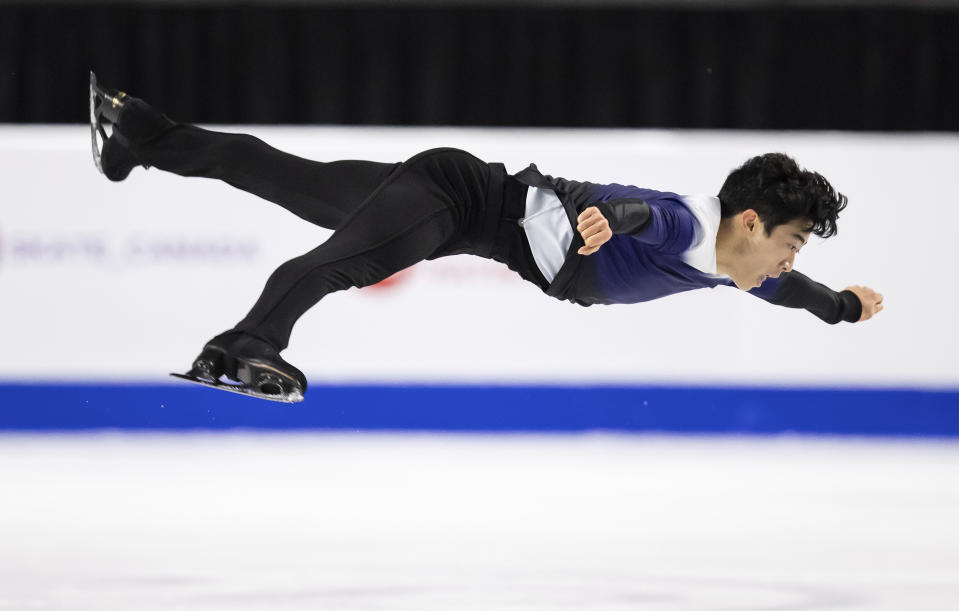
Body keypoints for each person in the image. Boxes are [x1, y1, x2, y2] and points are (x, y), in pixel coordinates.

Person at [89, 73, 883, 403]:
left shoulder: (738, 264)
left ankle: (135, 129)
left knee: (277, 173)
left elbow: (794, 291)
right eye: (793, 239)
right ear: (750, 221)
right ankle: (245, 343)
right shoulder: (687, 223)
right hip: (456, 198)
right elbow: (641, 211)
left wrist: (842, 307)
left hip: (456, 206)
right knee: (343, 263)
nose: (791, 257)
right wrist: (605, 219)